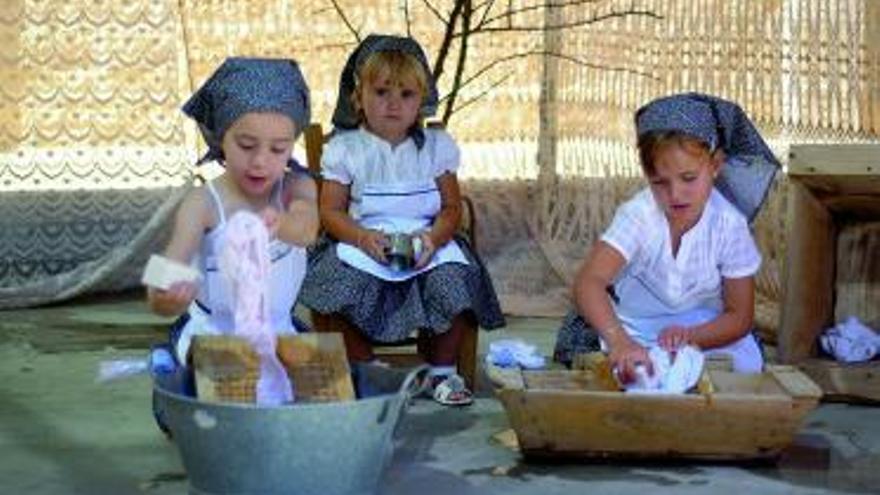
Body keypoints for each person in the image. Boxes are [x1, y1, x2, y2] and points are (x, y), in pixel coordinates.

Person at [298, 34, 505, 406]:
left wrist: (434, 238)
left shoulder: (436, 148)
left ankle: (441, 371)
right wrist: (361, 237)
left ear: (421, 101)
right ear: (358, 97)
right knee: (336, 284)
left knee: (456, 278)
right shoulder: (346, 149)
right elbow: (330, 211)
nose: (393, 104)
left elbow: (451, 209)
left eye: (406, 95)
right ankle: (367, 367)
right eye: (381, 92)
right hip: (363, 239)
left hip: (427, 240)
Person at [553, 92, 781, 384]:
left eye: (688, 178)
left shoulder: (729, 225)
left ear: (715, 165)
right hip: (633, 324)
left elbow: (739, 316)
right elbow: (589, 282)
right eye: (660, 182)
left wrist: (690, 337)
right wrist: (620, 342)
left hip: (701, 327)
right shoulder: (639, 215)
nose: (675, 195)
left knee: (743, 364)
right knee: (618, 369)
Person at [147, 57, 318, 367]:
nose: (260, 161)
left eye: (278, 149)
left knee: (318, 383)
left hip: (278, 329)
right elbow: (171, 260)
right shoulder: (203, 202)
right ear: (221, 138)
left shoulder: (298, 187)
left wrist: (280, 223)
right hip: (213, 333)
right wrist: (163, 296)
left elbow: (307, 230)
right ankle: (171, 358)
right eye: (246, 144)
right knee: (235, 373)